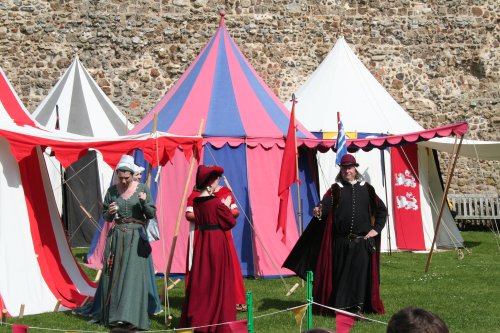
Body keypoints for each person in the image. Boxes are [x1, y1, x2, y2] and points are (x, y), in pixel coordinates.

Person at [283, 154, 388, 316]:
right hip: (340, 242)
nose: (347, 171)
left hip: (362, 243)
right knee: (341, 276)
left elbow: (382, 210)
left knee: (359, 276)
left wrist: (376, 229)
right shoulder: (335, 189)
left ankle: (357, 308)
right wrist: (319, 210)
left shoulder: (367, 189)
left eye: (350, 167)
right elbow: (325, 205)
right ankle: (340, 306)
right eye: (344, 168)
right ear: (341, 169)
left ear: (355, 169)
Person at [91, 154, 157, 330]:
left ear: (132, 174)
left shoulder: (142, 188)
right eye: (120, 177)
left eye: (126, 177)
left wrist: (143, 202)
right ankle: (115, 316)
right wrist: (110, 212)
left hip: (135, 238)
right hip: (117, 237)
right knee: (115, 276)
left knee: (132, 278)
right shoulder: (112, 191)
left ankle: (132, 316)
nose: (123, 181)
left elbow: (151, 213)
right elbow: (105, 216)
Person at [180, 165, 237, 333]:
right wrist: (225, 206)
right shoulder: (216, 203)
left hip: (202, 241)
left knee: (202, 280)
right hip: (216, 243)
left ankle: (199, 315)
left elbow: (197, 216)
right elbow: (230, 222)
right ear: (208, 183)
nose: (216, 183)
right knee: (218, 280)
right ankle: (216, 317)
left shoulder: (197, 201)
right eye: (214, 180)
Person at [185, 174, 246, 312]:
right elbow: (189, 214)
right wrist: (210, 216)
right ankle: (202, 299)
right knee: (204, 267)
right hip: (203, 233)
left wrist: (219, 213)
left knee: (227, 265)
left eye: (217, 177)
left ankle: (233, 299)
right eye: (214, 178)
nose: (217, 180)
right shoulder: (196, 194)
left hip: (223, 233)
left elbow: (235, 212)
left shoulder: (225, 192)